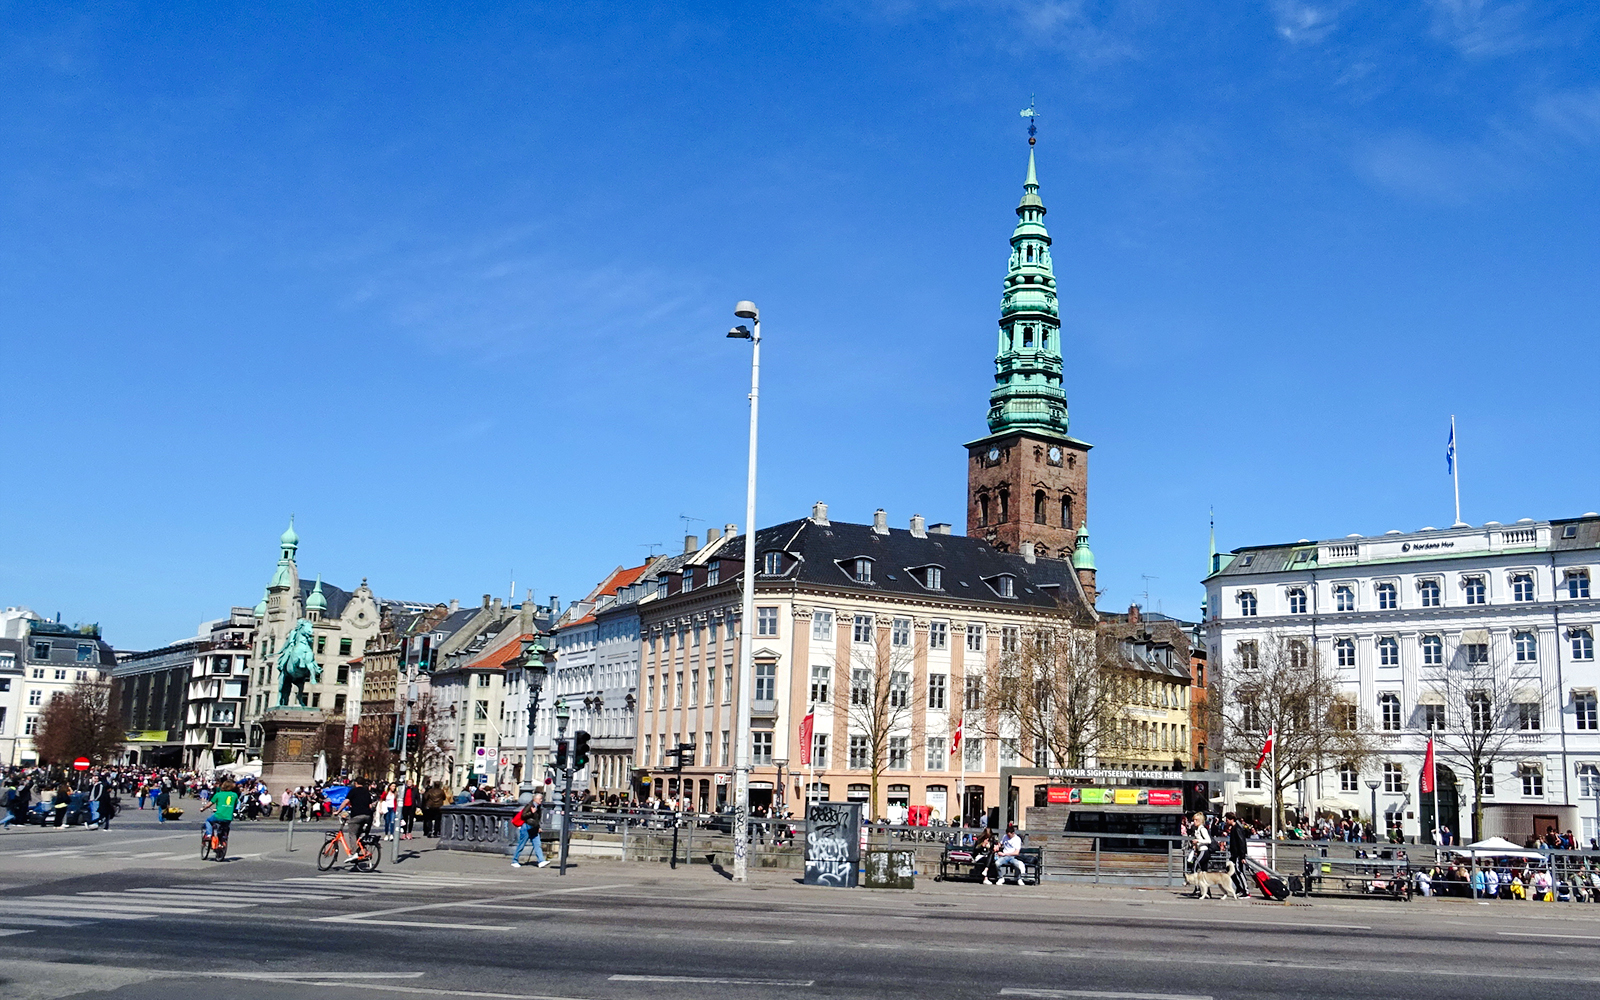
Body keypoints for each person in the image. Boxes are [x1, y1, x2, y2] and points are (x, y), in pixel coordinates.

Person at [202, 779, 240, 856]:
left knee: (208, 821)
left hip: (218, 815)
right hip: (228, 817)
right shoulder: (235, 795)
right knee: (224, 828)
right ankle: (222, 841)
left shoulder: (218, 794)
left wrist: (203, 808)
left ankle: (209, 834)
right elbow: (235, 806)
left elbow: (209, 804)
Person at [511, 794, 550, 868]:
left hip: (534, 827)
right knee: (521, 844)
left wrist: (538, 827)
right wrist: (531, 812)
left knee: (537, 844)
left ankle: (541, 861)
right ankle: (514, 860)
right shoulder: (530, 805)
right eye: (540, 799)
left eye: (541, 799)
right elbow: (523, 815)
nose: (541, 800)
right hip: (527, 827)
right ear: (535, 799)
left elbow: (537, 819)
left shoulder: (539, 807)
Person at [340, 777, 377, 846]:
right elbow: (370, 805)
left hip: (357, 815)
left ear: (355, 783)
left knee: (352, 833)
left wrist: (338, 811)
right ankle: (363, 850)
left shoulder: (353, 791)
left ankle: (354, 853)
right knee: (359, 833)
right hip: (367, 816)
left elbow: (346, 801)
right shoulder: (367, 792)